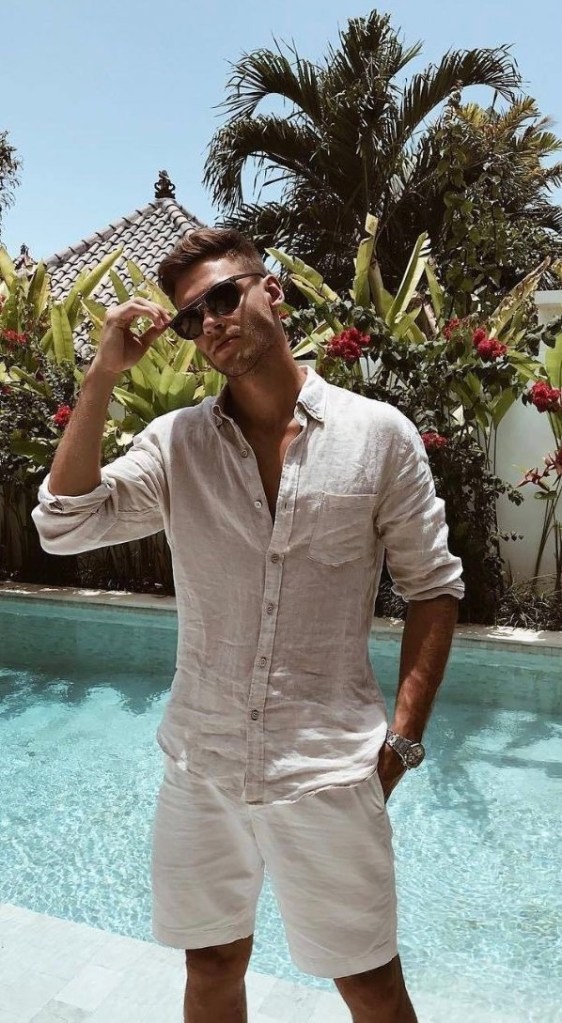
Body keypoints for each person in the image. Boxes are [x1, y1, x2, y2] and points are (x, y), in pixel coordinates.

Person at [32, 227, 464, 1023]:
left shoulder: (377, 435)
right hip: (201, 765)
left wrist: (403, 740)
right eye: (190, 317)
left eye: (224, 297)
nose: (210, 322)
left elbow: (433, 588)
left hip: (327, 769)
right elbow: (64, 523)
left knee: (370, 984)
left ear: (274, 291)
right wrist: (102, 375)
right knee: (211, 963)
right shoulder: (177, 444)